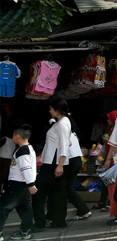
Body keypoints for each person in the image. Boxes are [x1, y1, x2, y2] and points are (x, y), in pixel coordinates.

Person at [33, 96, 72, 229]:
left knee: (39, 192)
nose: (49, 111)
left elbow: (64, 144)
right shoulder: (62, 122)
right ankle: (58, 220)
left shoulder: (62, 124)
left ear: (57, 110)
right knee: (57, 192)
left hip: (54, 163)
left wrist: (60, 165)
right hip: (53, 161)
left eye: (51, 109)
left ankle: (40, 222)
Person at [0, 125, 37, 241]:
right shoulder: (29, 148)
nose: (12, 138)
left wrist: (31, 184)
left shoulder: (22, 151)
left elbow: (26, 168)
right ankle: (25, 231)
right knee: (25, 208)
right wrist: (30, 184)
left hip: (18, 184)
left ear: (17, 136)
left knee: (3, 207)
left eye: (13, 136)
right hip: (24, 184)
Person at [66, 131, 91, 220]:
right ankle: (83, 210)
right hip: (76, 160)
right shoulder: (72, 133)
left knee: (67, 188)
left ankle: (83, 210)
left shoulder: (63, 130)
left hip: (70, 160)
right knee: (68, 187)